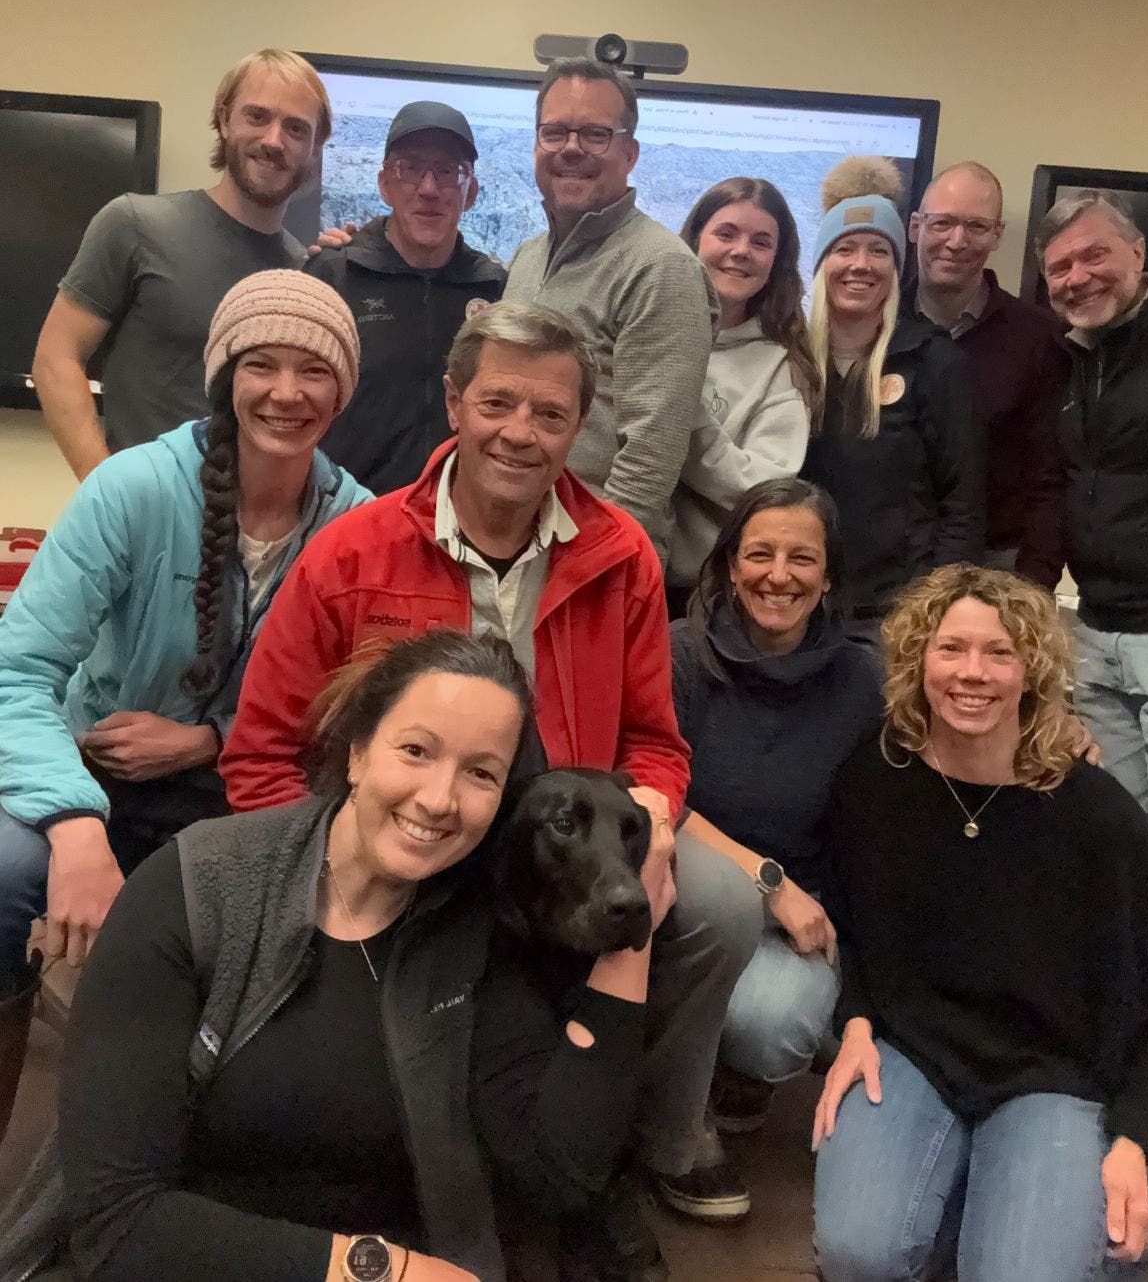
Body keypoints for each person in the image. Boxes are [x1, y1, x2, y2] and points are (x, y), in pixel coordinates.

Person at [216, 299, 755, 1266]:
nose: (522, 432)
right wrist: (326, 877)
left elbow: (653, 742)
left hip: (562, 854)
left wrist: (656, 824)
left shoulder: (622, 553)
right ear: (454, 401)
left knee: (718, 908)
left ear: (579, 424)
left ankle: (647, 1140)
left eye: (551, 414)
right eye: (499, 403)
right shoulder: (352, 551)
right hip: (403, 848)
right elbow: (260, 755)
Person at [0, 630, 667, 1282]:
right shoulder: (198, 888)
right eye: (415, 750)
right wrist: (378, 1269)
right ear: (356, 752)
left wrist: (631, 935)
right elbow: (117, 1222)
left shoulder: (469, 926)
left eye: (480, 773)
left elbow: (560, 1171)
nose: (438, 799)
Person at [0, 270, 370, 1142]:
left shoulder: (357, 522)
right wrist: (75, 826)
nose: (286, 393)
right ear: (224, 377)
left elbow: (352, 709)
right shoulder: (132, 489)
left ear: (344, 390)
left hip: (242, 785)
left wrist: (207, 740)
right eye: (261, 366)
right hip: (92, 771)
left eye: (313, 370)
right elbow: (16, 674)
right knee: (4, 875)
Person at [810, 565, 1148, 1282]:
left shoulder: (1098, 817)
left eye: (999, 653)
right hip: (915, 1054)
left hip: (1054, 1076)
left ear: (1032, 672)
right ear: (920, 663)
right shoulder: (874, 780)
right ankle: (984, 1208)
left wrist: (1132, 1140)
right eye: (951, 650)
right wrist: (855, 1024)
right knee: (860, 1254)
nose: (971, 673)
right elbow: (848, 927)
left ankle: (1076, 1242)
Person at [668, 478, 883, 1218]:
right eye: (759, 554)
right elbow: (656, 792)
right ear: (729, 565)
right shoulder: (678, 656)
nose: (779, 575)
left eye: (802, 558)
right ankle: (677, 1120)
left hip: (803, 918)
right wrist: (768, 882)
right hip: (686, 898)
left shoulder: (863, 677)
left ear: (828, 576)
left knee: (774, 1027)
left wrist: (1055, 732)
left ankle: (740, 1073)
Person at [30, 49, 329, 477]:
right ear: (224, 120)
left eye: (296, 128)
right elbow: (56, 357)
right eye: (257, 116)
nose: (273, 140)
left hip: (258, 534)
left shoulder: (302, 274)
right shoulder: (135, 225)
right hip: (141, 528)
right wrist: (106, 492)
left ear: (315, 147)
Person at [501, 58, 713, 559]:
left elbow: (650, 458)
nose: (571, 148)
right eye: (554, 132)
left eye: (595, 134)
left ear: (630, 152)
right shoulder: (528, 257)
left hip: (592, 562)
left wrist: (593, 568)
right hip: (517, 546)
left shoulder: (661, 267)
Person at [1029, 193, 1148, 879]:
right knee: (1122, 841)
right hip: (1094, 631)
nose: (1077, 276)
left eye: (1095, 255)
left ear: (1138, 252)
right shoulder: (1079, 353)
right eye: (1061, 266)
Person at [797, 156, 985, 637]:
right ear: (822, 264)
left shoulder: (933, 360)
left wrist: (936, 610)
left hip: (894, 615)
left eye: (879, 251)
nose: (860, 265)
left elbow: (962, 506)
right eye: (845, 249)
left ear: (897, 267)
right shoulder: (789, 357)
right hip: (795, 601)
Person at [306, 101, 508, 494]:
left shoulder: (493, 290)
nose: (429, 189)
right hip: (348, 518)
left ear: (471, 192)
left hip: (459, 522)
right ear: (385, 184)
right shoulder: (333, 277)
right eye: (411, 168)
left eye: (448, 172)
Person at [907, 162, 1069, 584]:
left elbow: (1048, 477)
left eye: (976, 226)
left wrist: (1034, 584)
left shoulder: (1038, 337)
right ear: (915, 227)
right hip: (890, 562)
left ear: (997, 234)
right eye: (942, 223)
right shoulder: (875, 327)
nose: (956, 241)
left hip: (998, 566)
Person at [665, 178, 821, 611]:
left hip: (707, 594)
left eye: (761, 241)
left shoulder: (780, 365)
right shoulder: (645, 336)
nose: (741, 251)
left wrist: (681, 408)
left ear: (777, 260)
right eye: (726, 233)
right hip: (616, 565)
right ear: (695, 239)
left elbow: (766, 487)